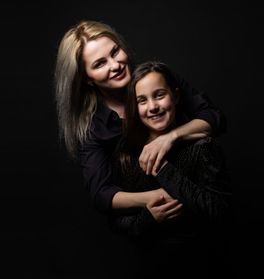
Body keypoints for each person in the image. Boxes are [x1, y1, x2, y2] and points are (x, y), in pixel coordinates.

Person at [109, 61, 236, 279]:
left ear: (176, 97)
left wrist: (164, 170)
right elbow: (117, 222)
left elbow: (219, 211)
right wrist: (147, 218)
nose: (152, 107)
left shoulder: (202, 148)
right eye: (142, 100)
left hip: (197, 278)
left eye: (159, 95)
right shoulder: (126, 154)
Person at [54, 20, 226, 215]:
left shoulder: (156, 77)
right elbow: (101, 193)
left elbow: (214, 117)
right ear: (87, 78)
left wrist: (170, 137)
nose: (115, 65)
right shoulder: (94, 129)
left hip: (205, 203)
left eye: (115, 52)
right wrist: (154, 198)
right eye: (100, 64)